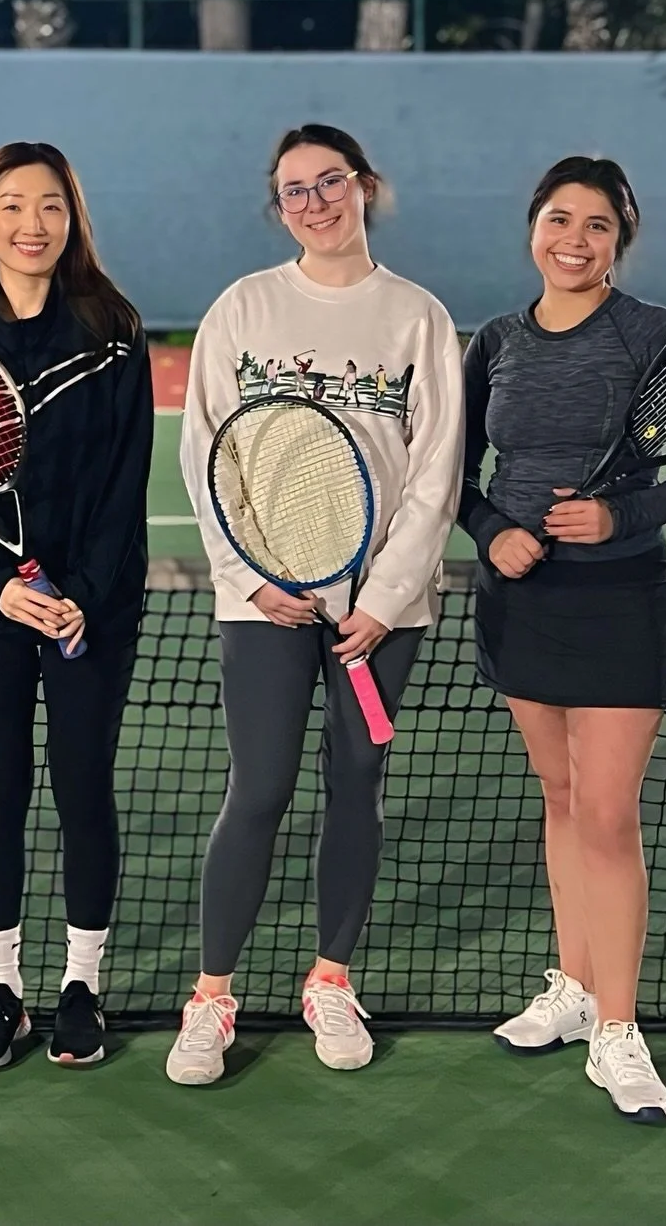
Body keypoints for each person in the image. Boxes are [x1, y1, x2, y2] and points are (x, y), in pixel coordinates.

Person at [170, 122, 464, 1085]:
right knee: (257, 790)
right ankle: (212, 996)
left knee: (357, 792)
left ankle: (329, 979)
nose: (314, 202)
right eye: (293, 189)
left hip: (380, 618)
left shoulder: (417, 316)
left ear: (365, 185)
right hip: (264, 603)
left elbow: (437, 472)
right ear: (278, 204)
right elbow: (206, 454)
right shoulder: (244, 308)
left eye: (329, 181)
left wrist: (384, 597)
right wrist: (251, 574)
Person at [461, 155, 666, 1125]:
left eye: (595, 227)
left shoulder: (651, 336)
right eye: (558, 219)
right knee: (562, 795)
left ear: (619, 243)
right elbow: (455, 474)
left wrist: (619, 518)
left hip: (622, 598)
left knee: (610, 814)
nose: (572, 240)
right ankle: (576, 990)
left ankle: (619, 1031)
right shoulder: (496, 340)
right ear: (532, 225)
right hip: (520, 597)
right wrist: (491, 526)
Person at [0, 142, 152, 1072]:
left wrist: (82, 596)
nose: (31, 223)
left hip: (92, 609)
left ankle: (81, 983)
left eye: (50, 205)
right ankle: (3, 988)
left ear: (71, 219)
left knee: (83, 782)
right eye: (12, 205)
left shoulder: (114, 329)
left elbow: (123, 478)